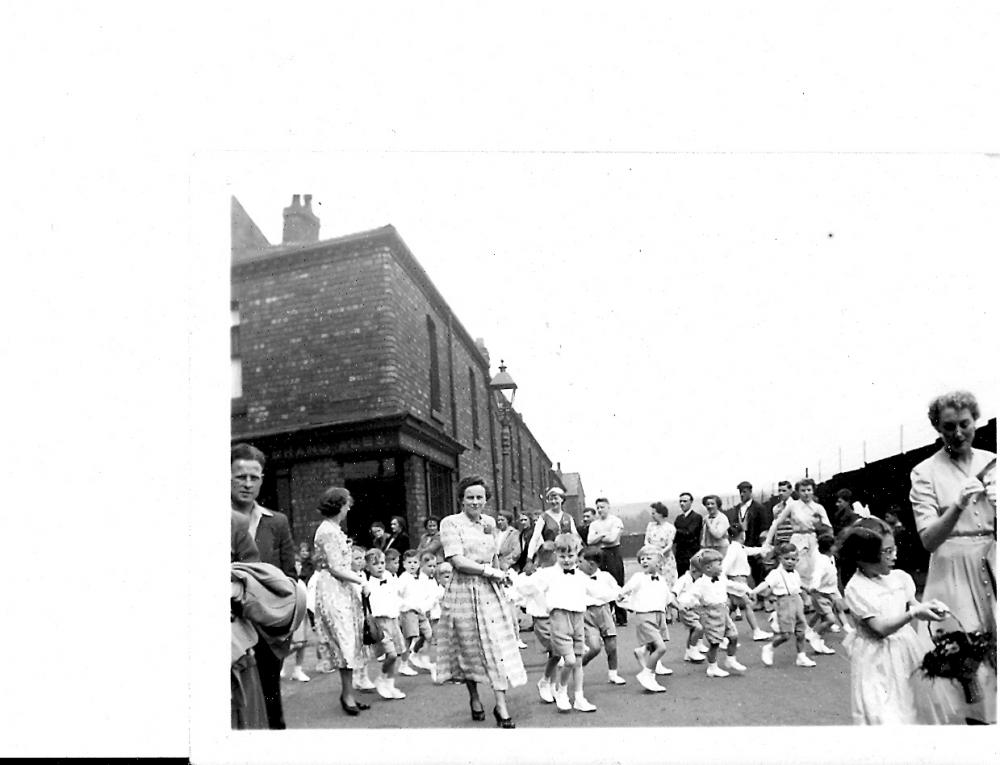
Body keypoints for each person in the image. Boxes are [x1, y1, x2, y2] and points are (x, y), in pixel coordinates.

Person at [909, 390, 997, 724]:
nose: (958, 433)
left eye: (964, 424)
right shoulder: (924, 472)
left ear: (975, 421)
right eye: (948, 427)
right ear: (938, 428)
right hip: (953, 573)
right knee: (967, 663)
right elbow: (929, 540)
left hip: (993, 563)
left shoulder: (993, 461)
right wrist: (957, 506)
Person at [839, 520, 957, 724]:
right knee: (883, 714)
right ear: (864, 556)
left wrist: (929, 610)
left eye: (894, 549)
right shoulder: (856, 588)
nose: (894, 555)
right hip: (876, 660)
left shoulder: (899, 578)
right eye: (887, 552)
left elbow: (913, 605)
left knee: (911, 709)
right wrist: (912, 612)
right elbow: (880, 628)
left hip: (906, 652)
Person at [435, 475, 526, 728]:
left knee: (496, 646)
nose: (475, 502)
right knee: (469, 646)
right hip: (463, 591)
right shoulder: (450, 523)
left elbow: (494, 555)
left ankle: (501, 705)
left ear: (486, 500)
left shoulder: (488, 522)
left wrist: (500, 577)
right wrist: (491, 572)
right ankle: (474, 697)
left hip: (489, 590)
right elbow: (457, 560)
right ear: (461, 500)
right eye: (470, 497)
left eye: (480, 497)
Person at [230, 443, 296, 729]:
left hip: (269, 634)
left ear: (262, 480)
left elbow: (289, 576)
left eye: (254, 477)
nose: (247, 484)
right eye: (240, 476)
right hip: (231, 633)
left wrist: (285, 626)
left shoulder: (277, 522)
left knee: (272, 710)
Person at [230, 523, 307, 730]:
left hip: (260, 624)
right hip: (237, 634)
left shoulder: (266, 522)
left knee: (266, 699)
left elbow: (288, 574)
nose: (246, 487)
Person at [312, 486, 372, 716]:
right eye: (346, 504)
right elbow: (336, 568)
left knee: (350, 641)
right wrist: (361, 581)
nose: (348, 509)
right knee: (345, 641)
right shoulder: (327, 531)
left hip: (343, 589)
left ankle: (349, 694)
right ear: (338, 505)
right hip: (334, 590)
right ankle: (347, 696)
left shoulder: (333, 529)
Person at [526, 533, 600, 713]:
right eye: (562, 556)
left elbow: (595, 590)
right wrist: (545, 606)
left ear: (577, 554)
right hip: (559, 619)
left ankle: (579, 697)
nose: (566, 560)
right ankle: (561, 691)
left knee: (578, 660)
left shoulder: (580, 575)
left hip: (577, 618)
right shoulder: (549, 574)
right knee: (569, 660)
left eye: (570, 556)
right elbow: (529, 587)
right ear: (556, 555)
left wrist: (618, 594)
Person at [678, 549, 751, 677]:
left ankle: (731, 659)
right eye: (719, 564)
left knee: (733, 636)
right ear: (708, 568)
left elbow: (731, 585)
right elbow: (691, 595)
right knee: (715, 642)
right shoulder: (701, 583)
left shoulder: (721, 578)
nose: (722, 567)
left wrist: (746, 589)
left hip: (724, 611)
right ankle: (712, 667)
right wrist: (684, 604)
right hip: (711, 613)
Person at [617, 546, 674, 692]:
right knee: (661, 647)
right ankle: (647, 674)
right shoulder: (638, 577)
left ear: (660, 562)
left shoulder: (661, 579)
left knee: (655, 644)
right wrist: (623, 597)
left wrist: (680, 607)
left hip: (658, 615)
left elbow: (668, 598)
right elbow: (625, 590)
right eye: (642, 559)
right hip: (644, 616)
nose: (644, 561)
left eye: (649, 558)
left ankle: (643, 653)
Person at [751, 543, 816, 668]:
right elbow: (766, 584)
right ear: (780, 558)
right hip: (784, 603)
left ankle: (801, 656)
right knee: (786, 634)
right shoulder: (776, 574)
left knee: (801, 631)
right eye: (786, 558)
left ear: (797, 560)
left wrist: (807, 592)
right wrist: (754, 591)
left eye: (793, 559)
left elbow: (799, 586)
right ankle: (769, 647)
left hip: (797, 601)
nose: (790, 562)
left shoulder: (795, 573)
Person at [512, 541, 560, 699]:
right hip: (542, 618)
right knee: (556, 650)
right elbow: (521, 589)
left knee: (557, 653)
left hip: (559, 615)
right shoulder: (535, 576)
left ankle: (550, 683)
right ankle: (548, 682)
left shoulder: (560, 572)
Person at [764, 478, 831, 585]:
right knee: (794, 567)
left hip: (813, 540)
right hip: (797, 540)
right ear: (798, 492)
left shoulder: (818, 508)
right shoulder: (793, 506)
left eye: (809, 490)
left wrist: (827, 542)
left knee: (815, 568)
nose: (806, 493)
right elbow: (776, 523)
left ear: (813, 490)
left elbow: (828, 527)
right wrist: (767, 542)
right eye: (803, 490)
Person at [577, 546, 627, 685]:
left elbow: (617, 590)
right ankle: (578, 665)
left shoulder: (605, 577)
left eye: (580, 562)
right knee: (594, 647)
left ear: (592, 564)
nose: (577, 564)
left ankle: (613, 674)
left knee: (612, 646)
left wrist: (622, 597)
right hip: (587, 613)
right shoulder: (576, 577)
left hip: (604, 612)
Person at [364, 547, 407, 700]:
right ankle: (382, 678)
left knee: (396, 655)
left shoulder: (390, 577)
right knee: (391, 655)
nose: (380, 566)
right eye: (375, 564)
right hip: (380, 623)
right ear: (368, 567)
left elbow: (396, 596)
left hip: (393, 620)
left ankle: (389, 683)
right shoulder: (367, 585)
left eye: (382, 563)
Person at [721, 525, 772, 640]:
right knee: (747, 604)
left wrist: (764, 549)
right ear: (742, 534)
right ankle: (756, 631)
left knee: (732, 606)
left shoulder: (738, 547)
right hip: (737, 581)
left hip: (739, 580)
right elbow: (725, 566)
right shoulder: (734, 549)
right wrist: (729, 581)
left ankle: (721, 632)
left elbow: (749, 550)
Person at [589, 497, 628, 626]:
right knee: (601, 583)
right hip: (600, 554)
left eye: (602, 507)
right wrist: (602, 535)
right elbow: (590, 540)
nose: (600, 510)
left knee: (616, 582)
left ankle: (621, 617)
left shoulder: (616, 521)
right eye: (598, 508)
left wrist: (598, 536)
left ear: (608, 507)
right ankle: (607, 616)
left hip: (613, 552)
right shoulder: (594, 524)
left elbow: (612, 539)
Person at [726, 481, 772, 589]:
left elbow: (764, 527)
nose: (742, 494)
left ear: (750, 492)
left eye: (744, 492)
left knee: (758, 573)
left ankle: (761, 598)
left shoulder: (758, 507)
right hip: (741, 543)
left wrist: (762, 544)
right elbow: (734, 525)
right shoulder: (738, 508)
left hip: (754, 543)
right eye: (740, 492)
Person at [803, 534, 844, 654]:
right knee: (830, 619)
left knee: (822, 616)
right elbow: (817, 574)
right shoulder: (822, 561)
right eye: (835, 545)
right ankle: (815, 636)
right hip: (820, 594)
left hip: (829, 593)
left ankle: (814, 636)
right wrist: (814, 586)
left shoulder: (830, 558)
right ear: (830, 547)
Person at [280, 541, 314, 682]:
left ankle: (298, 670)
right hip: (291, 615)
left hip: (302, 615)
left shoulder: (301, 582)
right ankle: (279, 663)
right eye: (296, 565)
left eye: (300, 565)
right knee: (295, 643)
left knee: (303, 643)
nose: (298, 567)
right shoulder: (287, 582)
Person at [397, 549, 434, 676]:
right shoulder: (403, 578)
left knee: (428, 634)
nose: (412, 565)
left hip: (420, 611)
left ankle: (419, 656)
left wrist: (424, 606)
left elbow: (425, 594)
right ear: (404, 564)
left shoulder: (421, 578)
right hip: (408, 611)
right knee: (410, 637)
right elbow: (398, 596)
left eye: (415, 562)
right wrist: (407, 606)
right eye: (409, 562)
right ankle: (404, 664)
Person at [526, 487, 581, 565]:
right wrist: (529, 558)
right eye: (550, 499)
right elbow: (535, 538)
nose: (553, 501)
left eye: (556, 499)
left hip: (566, 554)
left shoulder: (568, 517)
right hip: (550, 555)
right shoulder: (543, 517)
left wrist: (579, 554)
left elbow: (576, 537)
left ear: (562, 499)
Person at [671, 555, 706, 663]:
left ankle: (688, 652)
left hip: (696, 608)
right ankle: (693, 650)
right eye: (701, 574)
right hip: (686, 609)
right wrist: (678, 606)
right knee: (698, 628)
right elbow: (672, 595)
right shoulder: (683, 580)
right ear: (694, 570)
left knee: (695, 630)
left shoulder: (698, 581)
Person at [644, 501, 678, 589]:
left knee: (667, 582)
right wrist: (651, 551)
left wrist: (661, 552)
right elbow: (646, 541)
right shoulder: (650, 526)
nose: (652, 515)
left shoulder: (670, 528)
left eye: (654, 513)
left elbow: (670, 544)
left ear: (661, 514)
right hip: (652, 557)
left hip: (665, 558)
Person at [674, 492, 703, 576]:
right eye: (680, 501)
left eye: (685, 501)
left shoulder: (697, 517)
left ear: (691, 502)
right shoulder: (679, 518)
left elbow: (690, 533)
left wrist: (679, 531)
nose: (682, 503)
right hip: (680, 554)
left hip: (692, 553)